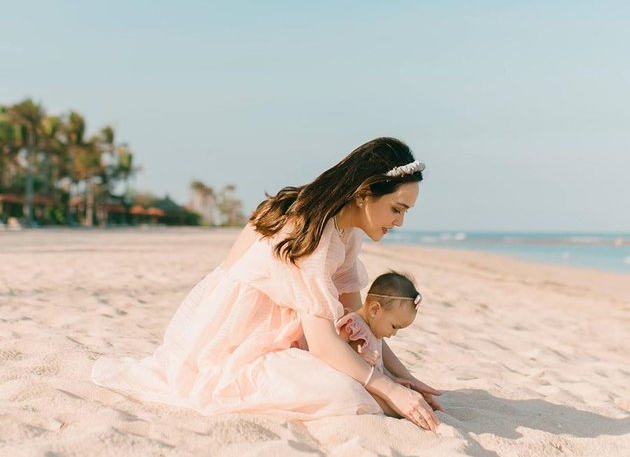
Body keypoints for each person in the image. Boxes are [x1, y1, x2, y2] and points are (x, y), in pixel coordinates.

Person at [92, 137, 442, 429]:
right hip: (235, 336)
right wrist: (388, 389)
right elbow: (322, 343)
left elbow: (357, 313)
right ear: (365, 194)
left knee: (365, 383)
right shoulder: (314, 232)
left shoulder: (346, 229)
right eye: (397, 209)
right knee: (346, 393)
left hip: (283, 327)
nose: (399, 222)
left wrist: (401, 377)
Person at [336, 271, 438, 417]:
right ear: (375, 310)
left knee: (404, 395)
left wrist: (393, 378)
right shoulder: (354, 324)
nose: (393, 334)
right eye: (394, 326)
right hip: (356, 382)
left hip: (372, 383)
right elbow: (338, 349)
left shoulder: (373, 330)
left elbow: (379, 366)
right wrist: (358, 353)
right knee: (392, 409)